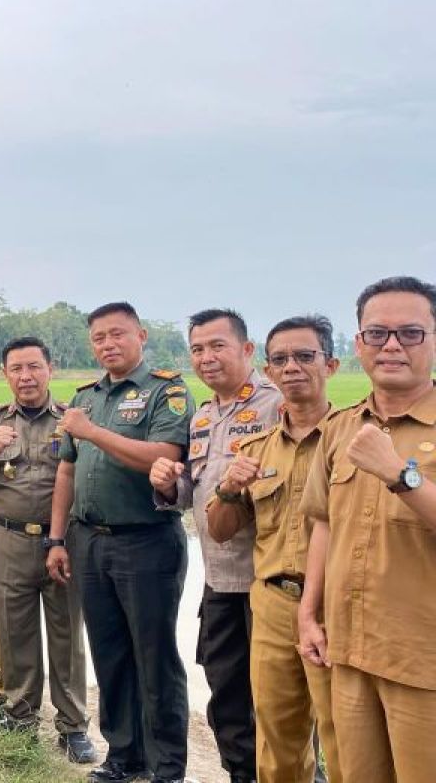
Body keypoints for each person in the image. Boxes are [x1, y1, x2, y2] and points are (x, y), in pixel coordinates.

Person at [47, 302, 194, 783]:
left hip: (145, 542)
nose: (108, 344)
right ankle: (124, 755)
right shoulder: (85, 397)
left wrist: (93, 431)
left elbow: (164, 455)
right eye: (99, 338)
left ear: (141, 336)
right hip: (90, 541)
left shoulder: (165, 391)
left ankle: (167, 766)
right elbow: (66, 470)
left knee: (154, 656)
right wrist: (57, 538)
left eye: (117, 334)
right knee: (109, 652)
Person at [298, 276, 436, 782]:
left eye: (410, 333)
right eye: (377, 334)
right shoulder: (341, 427)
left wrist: (401, 474)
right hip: (350, 652)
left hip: (422, 661)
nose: (392, 345)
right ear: (359, 344)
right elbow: (323, 523)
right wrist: (308, 614)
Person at [205, 316, 343, 783]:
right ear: (268, 370)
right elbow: (220, 530)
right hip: (273, 604)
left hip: (336, 606)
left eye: (305, 356)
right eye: (280, 359)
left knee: (345, 740)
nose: (291, 368)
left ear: (331, 365)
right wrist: (228, 487)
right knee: (278, 741)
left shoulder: (353, 439)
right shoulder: (257, 450)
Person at [149, 308, 282, 783]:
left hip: (269, 580)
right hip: (221, 581)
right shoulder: (203, 415)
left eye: (217, 346)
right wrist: (169, 483)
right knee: (226, 694)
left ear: (247, 349)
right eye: (198, 349)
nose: (206, 357)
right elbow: (194, 492)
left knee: (279, 700)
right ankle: (241, 775)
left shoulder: (276, 405)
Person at [0, 337, 97, 765]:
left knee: (67, 633)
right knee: (14, 631)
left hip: (63, 541)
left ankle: (72, 726)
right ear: (5, 374)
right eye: (16, 368)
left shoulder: (73, 419)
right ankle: (20, 715)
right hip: (9, 540)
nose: (26, 376)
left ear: (50, 369)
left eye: (34, 366)